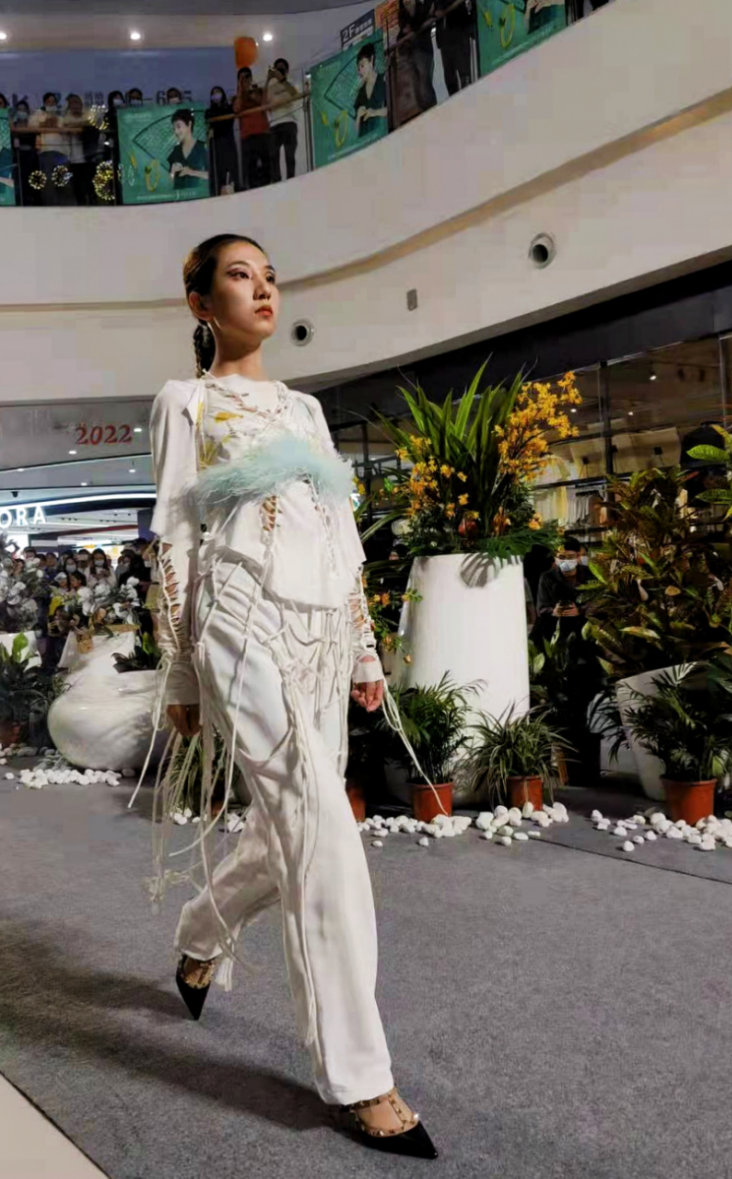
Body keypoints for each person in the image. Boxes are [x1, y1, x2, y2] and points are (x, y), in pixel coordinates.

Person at [147, 232, 437, 1159]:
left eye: (271, 277)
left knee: (291, 828)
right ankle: (359, 1075)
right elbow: (174, 537)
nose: (264, 289)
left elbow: (342, 536)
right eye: (241, 276)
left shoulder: (306, 411)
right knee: (323, 831)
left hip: (321, 634)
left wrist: (363, 648)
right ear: (202, 303)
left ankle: (202, 930)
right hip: (238, 624)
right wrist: (181, 669)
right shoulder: (186, 402)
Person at [534, 535, 589, 640]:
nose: (566, 561)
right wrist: (554, 611)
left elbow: (600, 603)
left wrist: (580, 610)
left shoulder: (589, 574)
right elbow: (541, 608)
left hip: (584, 626)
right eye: (562, 557)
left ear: (578, 557)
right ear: (555, 557)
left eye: (570, 557)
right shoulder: (547, 578)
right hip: (556, 627)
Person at [396, 0, 437, 116]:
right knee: (415, 85)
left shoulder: (421, 7)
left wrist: (412, 28)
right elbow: (401, 35)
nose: (407, 2)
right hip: (410, 54)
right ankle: (423, 111)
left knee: (424, 82)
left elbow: (422, 23)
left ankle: (432, 108)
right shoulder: (402, 14)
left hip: (423, 50)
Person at [29, 92, 70, 206]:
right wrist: (45, 123)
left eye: (53, 102)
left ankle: (65, 207)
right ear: (44, 103)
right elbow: (31, 126)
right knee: (48, 182)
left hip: (61, 153)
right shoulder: (39, 114)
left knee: (63, 182)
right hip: (45, 152)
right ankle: (50, 206)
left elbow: (66, 135)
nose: (51, 104)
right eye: (48, 102)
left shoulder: (61, 117)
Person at [233, 68, 270, 190]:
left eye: (247, 76)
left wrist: (250, 90)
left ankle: (269, 188)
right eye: (242, 77)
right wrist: (241, 88)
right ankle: (253, 192)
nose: (245, 79)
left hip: (263, 132)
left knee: (267, 164)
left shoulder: (258, 91)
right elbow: (236, 108)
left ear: (251, 77)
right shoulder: (237, 97)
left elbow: (265, 105)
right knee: (250, 167)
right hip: (247, 136)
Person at [266, 59, 301, 182]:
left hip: (289, 121)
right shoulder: (270, 86)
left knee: (289, 155)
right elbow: (266, 103)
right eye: (277, 68)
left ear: (287, 70)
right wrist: (268, 79)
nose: (280, 70)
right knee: (273, 157)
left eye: (282, 68)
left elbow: (295, 94)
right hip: (274, 124)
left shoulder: (291, 81)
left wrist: (282, 79)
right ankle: (277, 184)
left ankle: (291, 182)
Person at [434, 0, 475, 96]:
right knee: (450, 78)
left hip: (458, 31)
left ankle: (469, 99)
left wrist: (441, 9)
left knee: (464, 74)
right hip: (445, 37)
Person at [206, 86, 239, 195]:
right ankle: (218, 192)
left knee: (231, 167)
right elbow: (208, 125)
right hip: (216, 144)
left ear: (223, 94)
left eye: (218, 92)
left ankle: (234, 190)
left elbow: (231, 118)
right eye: (213, 93)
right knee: (218, 170)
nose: (216, 95)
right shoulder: (209, 111)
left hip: (228, 141)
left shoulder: (229, 108)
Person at [167, 108, 209, 192]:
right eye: (174, 129)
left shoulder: (202, 147)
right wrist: (172, 172)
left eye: (178, 127)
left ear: (189, 124)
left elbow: (210, 175)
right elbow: (170, 180)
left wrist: (192, 172)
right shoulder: (176, 151)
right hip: (178, 196)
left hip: (198, 196)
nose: (176, 132)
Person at [354, 44, 388, 138]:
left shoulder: (384, 80)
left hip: (383, 136)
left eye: (362, 65)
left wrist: (375, 112)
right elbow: (355, 131)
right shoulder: (360, 94)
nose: (360, 71)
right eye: (358, 68)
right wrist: (358, 117)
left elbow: (392, 108)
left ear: (371, 60)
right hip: (365, 139)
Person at [10, 100, 39, 206]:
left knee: (30, 181)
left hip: (31, 157)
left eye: (23, 109)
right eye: (19, 109)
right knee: (18, 181)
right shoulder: (13, 125)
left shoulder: (32, 125)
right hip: (17, 157)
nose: (21, 111)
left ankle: (31, 202)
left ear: (27, 111)